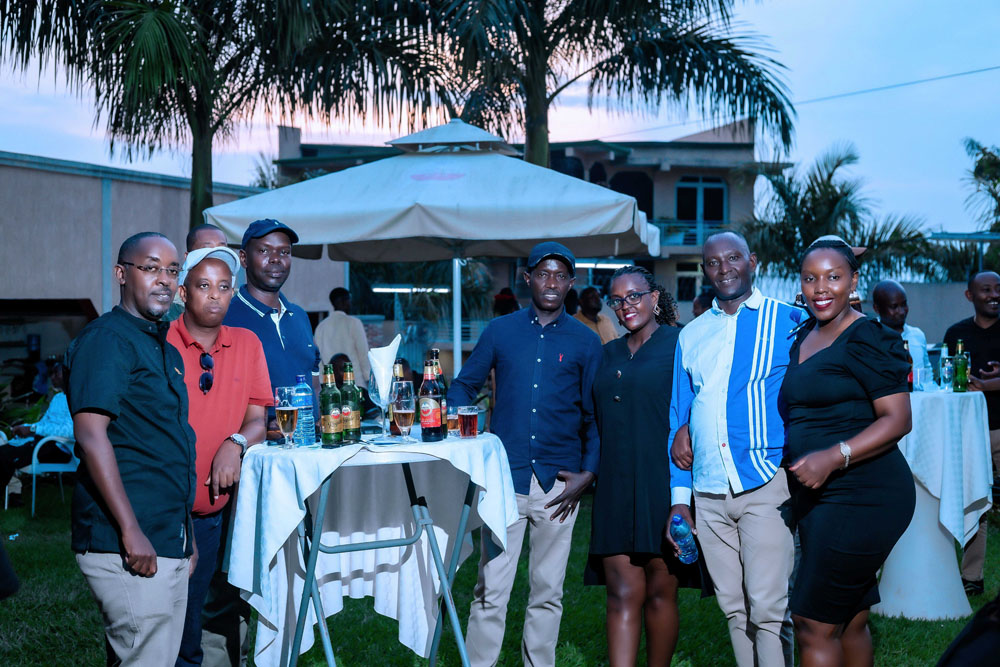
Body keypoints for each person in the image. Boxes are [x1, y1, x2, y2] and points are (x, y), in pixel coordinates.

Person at [448, 241, 602, 667]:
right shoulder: (500, 331)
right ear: (527, 278)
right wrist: (462, 429)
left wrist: (589, 473)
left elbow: (595, 416)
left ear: (571, 283)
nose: (551, 282)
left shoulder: (586, 342)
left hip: (560, 487)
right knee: (490, 589)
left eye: (560, 276)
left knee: (548, 592)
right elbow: (463, 385)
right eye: (543, 274)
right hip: (505, 480)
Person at [668, 231, 803, 667]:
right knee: (734, 609)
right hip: (707, 491)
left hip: (765, 482)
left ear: (753, 261)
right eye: (713, 262)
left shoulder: (790, 321)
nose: (723, 268)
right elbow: (679, 414)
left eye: (733, 258)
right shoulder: (692, 334)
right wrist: (680, 500)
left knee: (768, 612)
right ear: (704, 270)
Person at [780, 236, 914, 666]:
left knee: (811, 622)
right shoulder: (805, 334)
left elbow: (898, 419)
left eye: (834, 277)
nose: (821, 288)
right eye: (810, 278)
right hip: (819, 497)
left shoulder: (867, 337)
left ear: (854, 281)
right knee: (851, 618)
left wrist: (833, 456)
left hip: (864, 494)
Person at [66, 232, 196, 665]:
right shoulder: (108, 340)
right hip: (128, 539)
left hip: (166, 534)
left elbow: (162, 442)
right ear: (122, 274)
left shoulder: (160, 345)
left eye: (172, 270)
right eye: (151, 268)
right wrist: (130, 529)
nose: (164, 279)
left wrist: (185, 536)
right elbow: (91, 435)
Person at [213, 219, 319, 665]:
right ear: (244, 257)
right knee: (234, 577)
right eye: (265, 251)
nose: (276, 260)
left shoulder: (299, 317)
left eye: (284, 252)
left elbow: (311, 381)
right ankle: (225, 656)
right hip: (245, 463)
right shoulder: (226, 314)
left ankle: (279, 654)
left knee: (288, 573)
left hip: (299, 464)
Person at [587, 266, 697, 666]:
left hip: (663, 482)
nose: (625, 306)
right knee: (620, 593)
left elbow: (702, 401)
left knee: (659, 593)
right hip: (615, 485)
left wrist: (688, 428)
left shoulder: (681, 343)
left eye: (634, 296)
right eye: (617, 300)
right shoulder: (608, 352)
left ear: (653, 297)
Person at [167, 247, 271, 666]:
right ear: (183, 293)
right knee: (158, 622)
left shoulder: (246, 343)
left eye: (224, 287)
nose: (215, 295)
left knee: (192, 619)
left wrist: (236, 443)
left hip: (211, 510)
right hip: (164, 507)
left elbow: (258, 420)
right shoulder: (159, 342)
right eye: (204, 286)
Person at [944, 270, 1000, 596]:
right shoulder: (956, 334)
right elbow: (949, 379)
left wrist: (989, 385)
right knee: (975, 503)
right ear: (970, 295)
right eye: (986, 289)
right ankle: (972, 578)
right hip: (968, 433)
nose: (994, 295)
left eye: (998, 289)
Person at [1, 362, 74, 507]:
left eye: (56, 373)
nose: (52, 377)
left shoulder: (76, 399)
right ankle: (13, 497)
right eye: (52, 373)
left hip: (60, 448)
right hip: (44, 443)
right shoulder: (58, 398)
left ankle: (13, 497)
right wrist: (24, 427)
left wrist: (33, 429)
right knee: (5, 451)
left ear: (67, 374)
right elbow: (43, 424)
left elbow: (69, 431)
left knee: (5, 455)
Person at [871, 279, 933, 389]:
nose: (901, 311)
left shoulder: (918, 335)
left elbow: (928, 377)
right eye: (894, 307)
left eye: (904, 304)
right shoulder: (869, 337)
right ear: (877, 308)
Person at [164, 224, 230, 322]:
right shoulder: (168, 305)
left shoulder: (232, 303)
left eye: (222, 250)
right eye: (206, 250)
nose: (215, 257)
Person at [314, 287, 371, 388]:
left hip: (330, 385)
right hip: (354, 384)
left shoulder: (321, 326)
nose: (351, 304)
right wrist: (368, 377)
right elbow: (363, 354)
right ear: (344, 301)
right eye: (349, 300)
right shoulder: (354, 323)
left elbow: (318, 358)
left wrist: (322, 382)